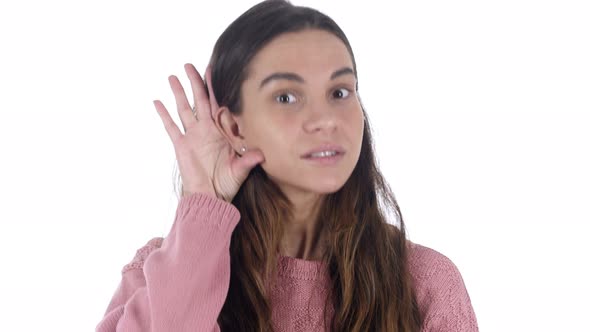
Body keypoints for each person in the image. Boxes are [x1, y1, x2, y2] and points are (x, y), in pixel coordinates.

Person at [95, 0, 479, 331]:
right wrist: (203, 204)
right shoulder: (160, 274)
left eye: (339, 92)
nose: (325, 119)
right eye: (286, 97)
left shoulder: (425, 284)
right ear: (233, 126)